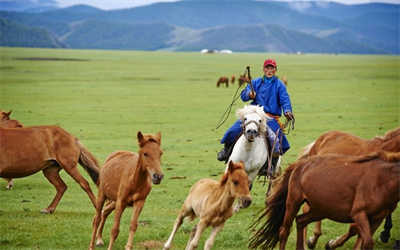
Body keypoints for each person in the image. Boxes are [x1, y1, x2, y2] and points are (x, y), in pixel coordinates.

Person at [217, 59, 294, 175]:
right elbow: (244, 95)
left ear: (275, 70)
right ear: (264, 69)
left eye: (272, 68)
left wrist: (287, 111)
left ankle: (272, 165)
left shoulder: (279, 85)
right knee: (233, 130)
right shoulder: (256, 82)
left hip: (269, 116)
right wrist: (249, 94)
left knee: (277, 141)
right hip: (254, 112)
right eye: (267, 68)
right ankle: (226, 151)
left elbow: (285, 99)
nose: (269, 70)